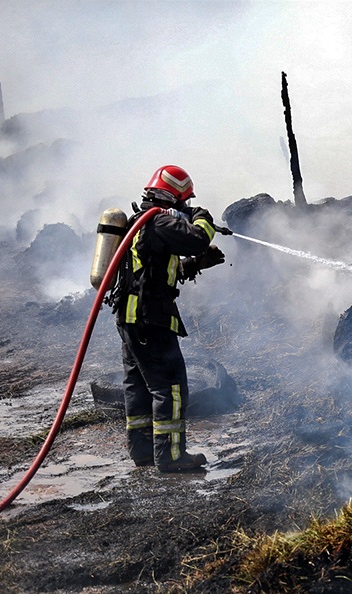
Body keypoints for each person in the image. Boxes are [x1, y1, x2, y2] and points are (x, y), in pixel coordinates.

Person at [111, 165, 226, 472]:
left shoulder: (139, 223)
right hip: (151, 320)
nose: (187, 207)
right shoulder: (160, 220)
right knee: (170, 388)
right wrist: (202, 216)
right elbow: (198, 237)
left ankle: (143, 451)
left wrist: (195, 265)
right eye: (185, 201)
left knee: (138, 385)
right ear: (173, 197)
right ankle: (172, 456)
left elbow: (152, 274)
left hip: (131, 320)